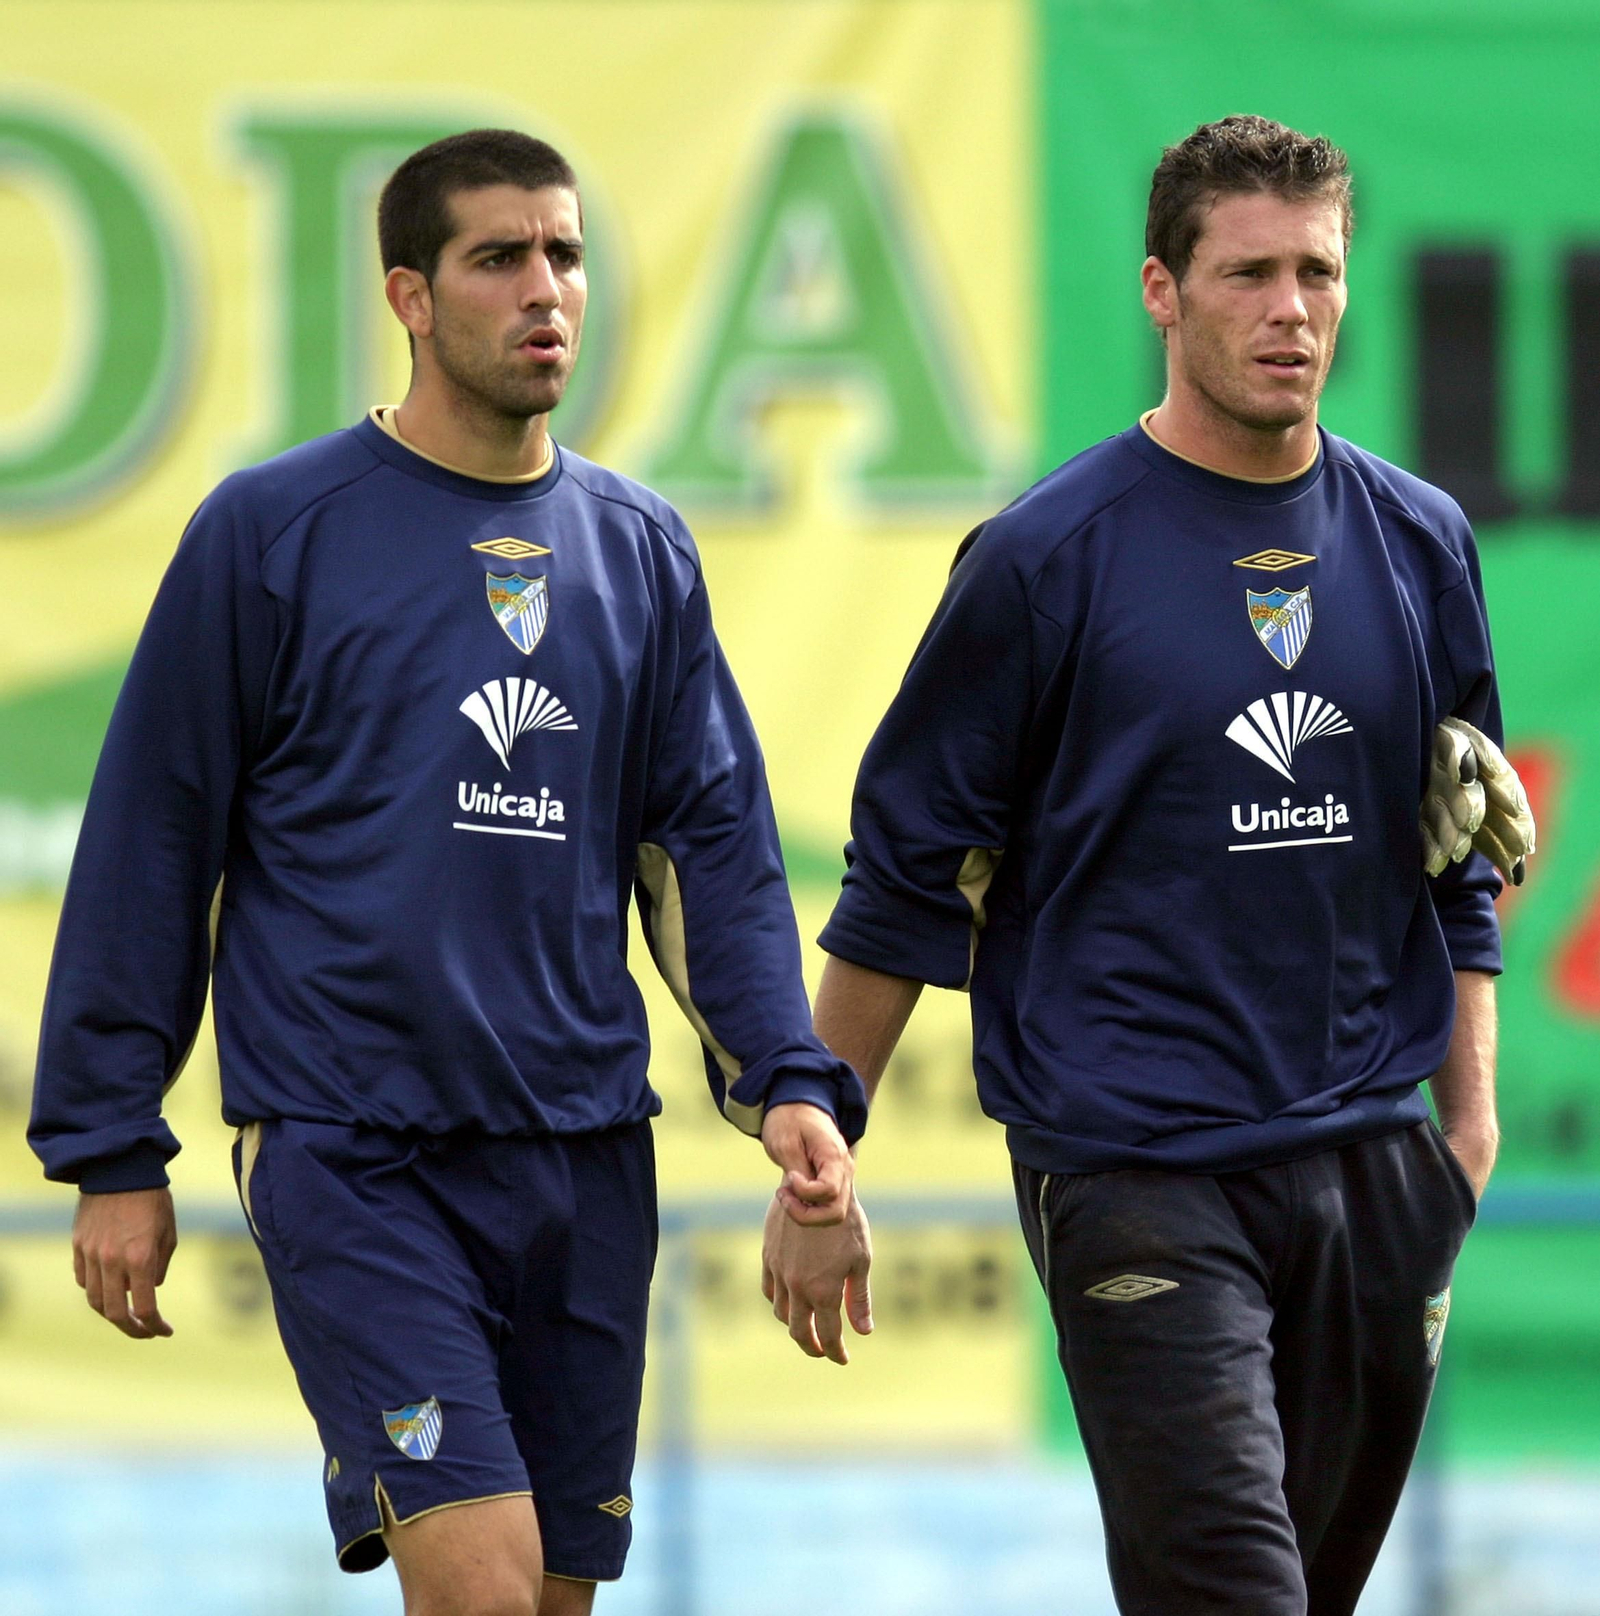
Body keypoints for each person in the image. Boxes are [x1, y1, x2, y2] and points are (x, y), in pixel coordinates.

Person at [29, 128, 865, 1616]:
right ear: (412, 297)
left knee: (544, 1602)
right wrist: (110, 1143)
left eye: (566, 254)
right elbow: (156, 840)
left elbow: (711, 858)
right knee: (479, 1589)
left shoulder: (642, 551)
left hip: (585, 1153)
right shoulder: (272, 532)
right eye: (500, 258)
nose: (545, 289)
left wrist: (788, 1080)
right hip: (356, 1150)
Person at [761, 115, 1534, 1615]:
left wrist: (1469, 1127)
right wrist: (817, 1160)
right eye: (1247, 273)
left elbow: (1464, 843)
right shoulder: (1044, 559)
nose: (1290, 310)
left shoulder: (1422, 541)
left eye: (1318, 272)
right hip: (1138, 1172)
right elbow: (903, 883)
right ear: (1161, 292)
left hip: (1377, 1165)